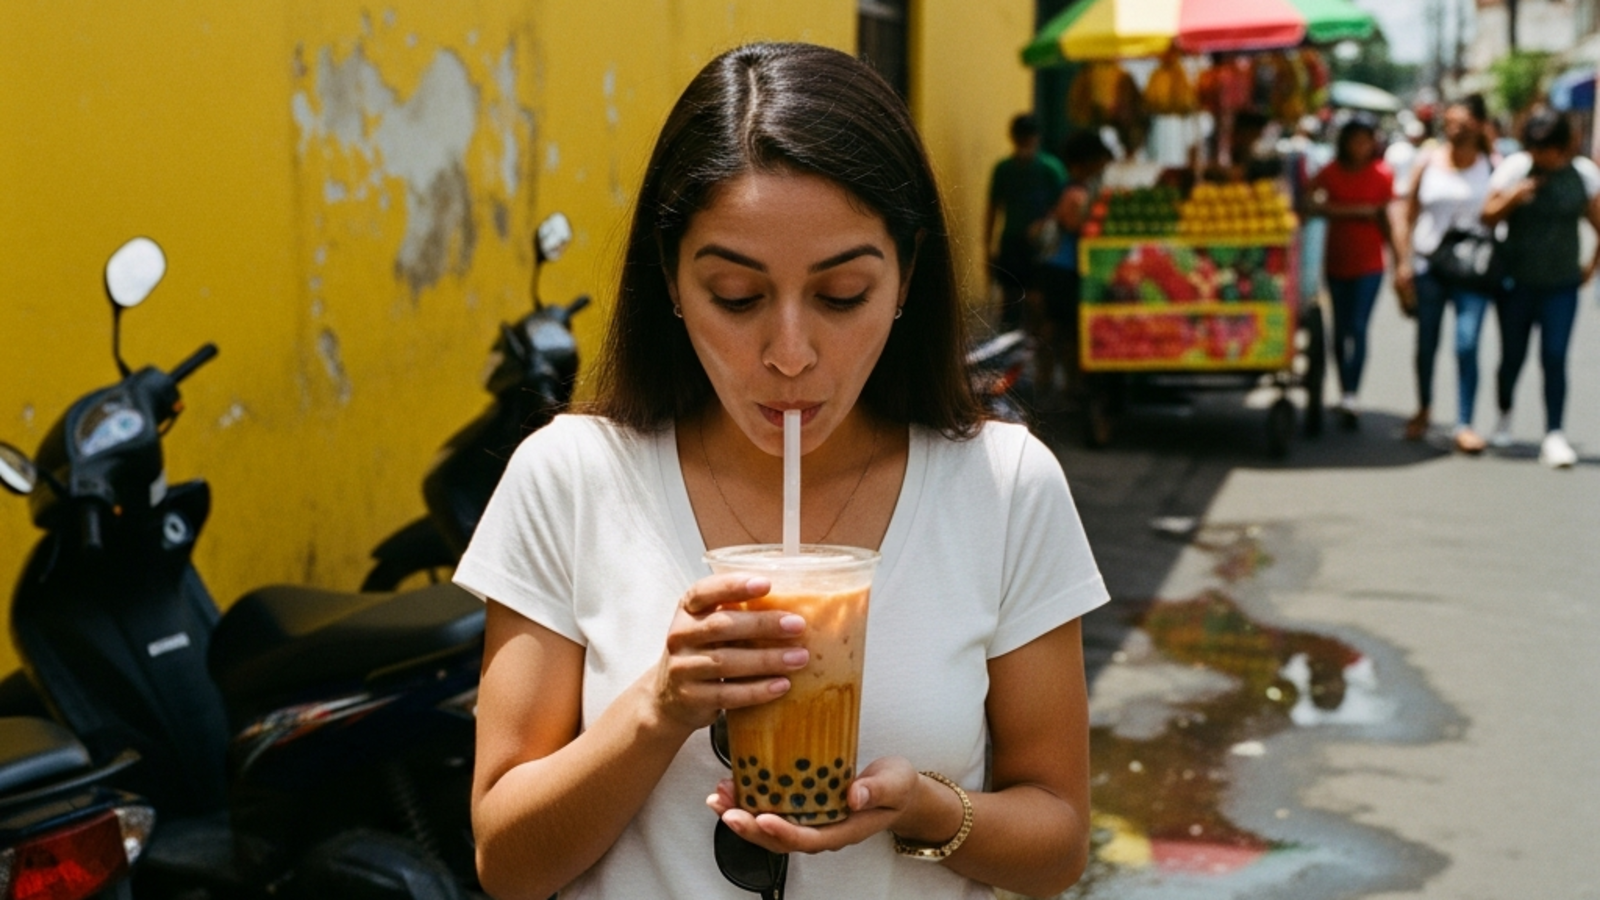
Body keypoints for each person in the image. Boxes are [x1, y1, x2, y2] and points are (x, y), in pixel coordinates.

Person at [456, 42, 1108, 900]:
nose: (791, 354)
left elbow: (1058, 846)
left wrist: (922, 810)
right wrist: (659, 707)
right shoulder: (571, 480)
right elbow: (507, 863)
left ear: (906, 275)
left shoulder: (1002, 487)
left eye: (842, 297)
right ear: (673, 280)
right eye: (736, 295)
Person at [1481, 108, 1600, 468]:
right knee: (1512, 357)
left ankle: (1554, 433)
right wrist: (1515, 196)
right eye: (1535, 148)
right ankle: (1504, 412)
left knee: (1554, 356)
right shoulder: (1516, 169)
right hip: (1516, 282)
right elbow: (1487, 215)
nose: (1542, 156)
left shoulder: (1582, 176)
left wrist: (1590, 267)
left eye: (1548, 149)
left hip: (1560, 284)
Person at [1394, 94, 1496, 452]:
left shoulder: (1493, 165)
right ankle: (1424, 407)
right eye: (1449, 123)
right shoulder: (1427, 162)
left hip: (1472, 268)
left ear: (1479, 125)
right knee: (1426, 344)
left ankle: (1465, 422)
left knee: (1467, 344)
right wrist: (1403, 262)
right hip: (1429, 265)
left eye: (1463, 124)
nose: (1455, 130)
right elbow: (1407, 215)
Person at [1308, 116, 1399, 430]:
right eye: (1355, 140)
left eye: (1366, 140)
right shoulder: (1330, 172)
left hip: (1370, 264)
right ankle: (1344, 385)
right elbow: (1307, 202)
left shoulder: (1383, 174)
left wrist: (1401, 260)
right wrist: (1348, 212)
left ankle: (1351, 394)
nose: (1361, 147)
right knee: (1340, 327)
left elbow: (1389, 219)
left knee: (1358, 326)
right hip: (1336, 262)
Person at [1033, 129, 1114, 406]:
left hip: (1063, 267)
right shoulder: (1076, 194)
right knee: (1060, 328)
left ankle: (1058, 383)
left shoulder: (1080, 190)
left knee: (1061, 328)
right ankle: (1052, 383)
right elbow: (1076, 226)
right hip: (1061, 268)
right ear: (1085, 162)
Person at [985, 113, 1066, 332]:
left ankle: (1038, 344)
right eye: (1022, 137)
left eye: (1028, 137)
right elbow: (993, 208)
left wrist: (1045, 224)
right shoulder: (1004, 169)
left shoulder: (1050, 169)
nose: (1025, 142)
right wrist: (988, 245)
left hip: (1041, 244)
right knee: (1010, 297)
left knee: (1037, 299)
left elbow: (1063, 205)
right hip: (1011, 240)